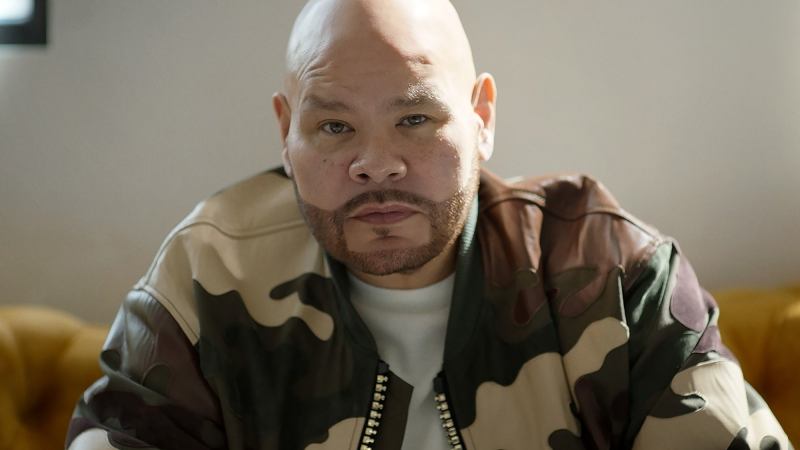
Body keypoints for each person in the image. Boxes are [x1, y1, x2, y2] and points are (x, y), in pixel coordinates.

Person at [66, 0, 791, 449]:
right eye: (335, 127)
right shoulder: (206, 275)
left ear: (481, 118)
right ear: (286, 132)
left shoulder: (612, 272)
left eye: (414, 118)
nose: (376, 165)